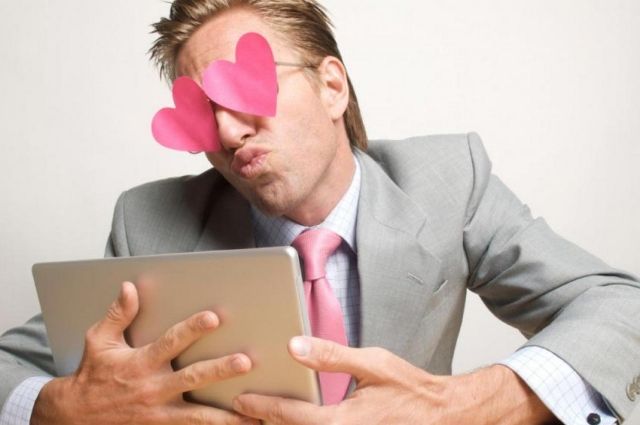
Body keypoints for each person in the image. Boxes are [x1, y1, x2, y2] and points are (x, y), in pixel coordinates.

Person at [1, 0, 639, 424]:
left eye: (244, 88)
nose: (226, 132)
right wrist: (61, 407)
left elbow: (620, 306)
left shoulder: (450, 182)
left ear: (332, 86)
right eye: (200, 111)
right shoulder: (150, 223)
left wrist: (463, 405)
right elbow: (11, 366)